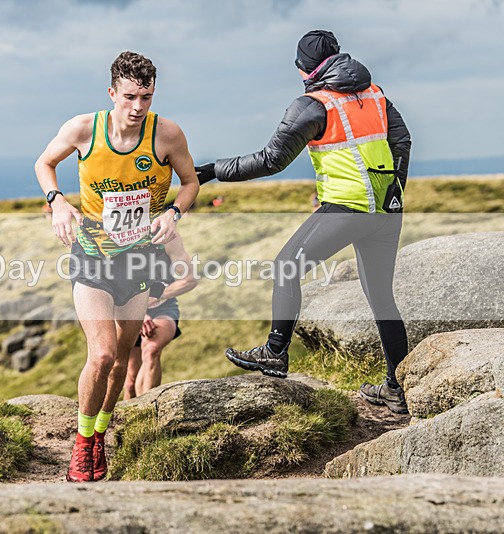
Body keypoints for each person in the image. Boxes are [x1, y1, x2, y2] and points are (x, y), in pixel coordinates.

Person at [196, 30, 411, 414]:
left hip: (347, 208)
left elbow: (270, 160)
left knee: (285, 266)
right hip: (386, 211)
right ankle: (397, 388)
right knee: (381, 297)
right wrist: (394, 192)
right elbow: (403, 141)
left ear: (303, 69)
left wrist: (212, 170)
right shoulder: (377, 94)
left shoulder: (312, 105)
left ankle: (276, 351)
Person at [35, 51, 199, 482]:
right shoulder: (83, 129)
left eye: (146, 96)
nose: (138, 106)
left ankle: (101, 437)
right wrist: (58, 204)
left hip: (140, 260)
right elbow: (44, 163)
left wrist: (173, 214)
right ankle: (81, 443)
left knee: (123, 359)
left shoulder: (166, 134)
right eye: (129, 96)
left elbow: (191, 183)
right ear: (112, 93)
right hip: (92, 256)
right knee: (103, 353)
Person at [123, 233, 197, 399]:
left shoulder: (168, 237)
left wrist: (160, 294)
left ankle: (147, 412)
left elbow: (189, 280)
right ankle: (128, 422)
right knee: (129, 382)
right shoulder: (119, 238)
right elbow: (112, 287)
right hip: (127, 310)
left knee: (151, 349)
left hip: (163, 308)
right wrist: (139, 312)